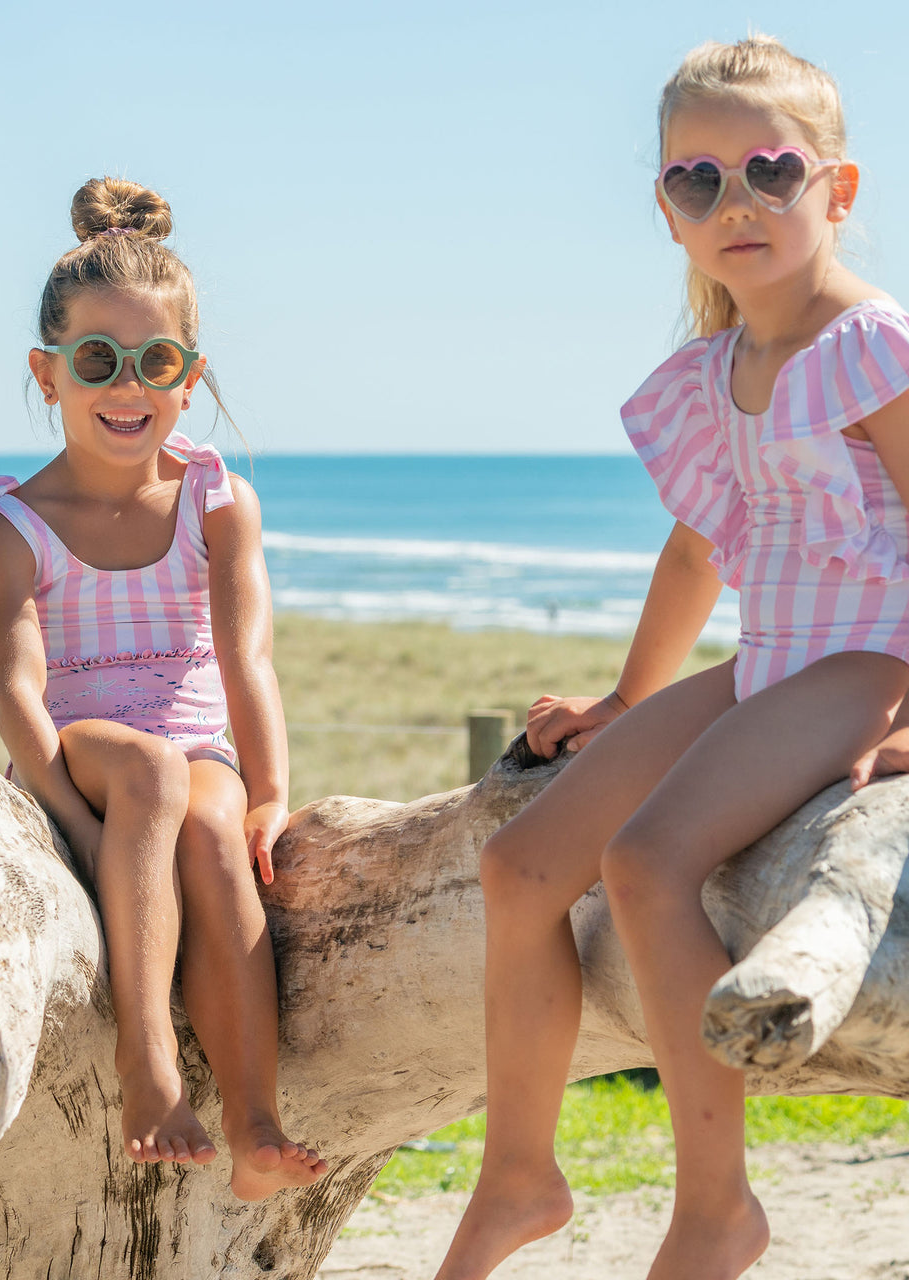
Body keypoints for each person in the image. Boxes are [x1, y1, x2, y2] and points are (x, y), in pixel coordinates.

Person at [436, 36, 909, 1280]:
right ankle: (518, 1175)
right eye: (694, 181)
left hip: (870, 661)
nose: (732, 204)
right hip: (769, 662)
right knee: (520, 862)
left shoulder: (869, 349)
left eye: (767, 170)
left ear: (836, 189)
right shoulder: (717, 369)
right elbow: (699, 550)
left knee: (646, 860)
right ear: (665, 209)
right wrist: (626, 698)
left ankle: (714, 1209)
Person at [0, 177, 326, 1200]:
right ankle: (144, 1060)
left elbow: (246, 659)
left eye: (155, 360)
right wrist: (65, 808)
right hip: (79, 745)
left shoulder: (216, 500)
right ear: (48, 372)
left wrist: (270, 790)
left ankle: (252, 1121)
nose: (127, 385)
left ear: (187, 376)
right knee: (151, 774)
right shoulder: (12, 527)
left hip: (196, 737)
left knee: (206, 825)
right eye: (96, 359)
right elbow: (18, 692)